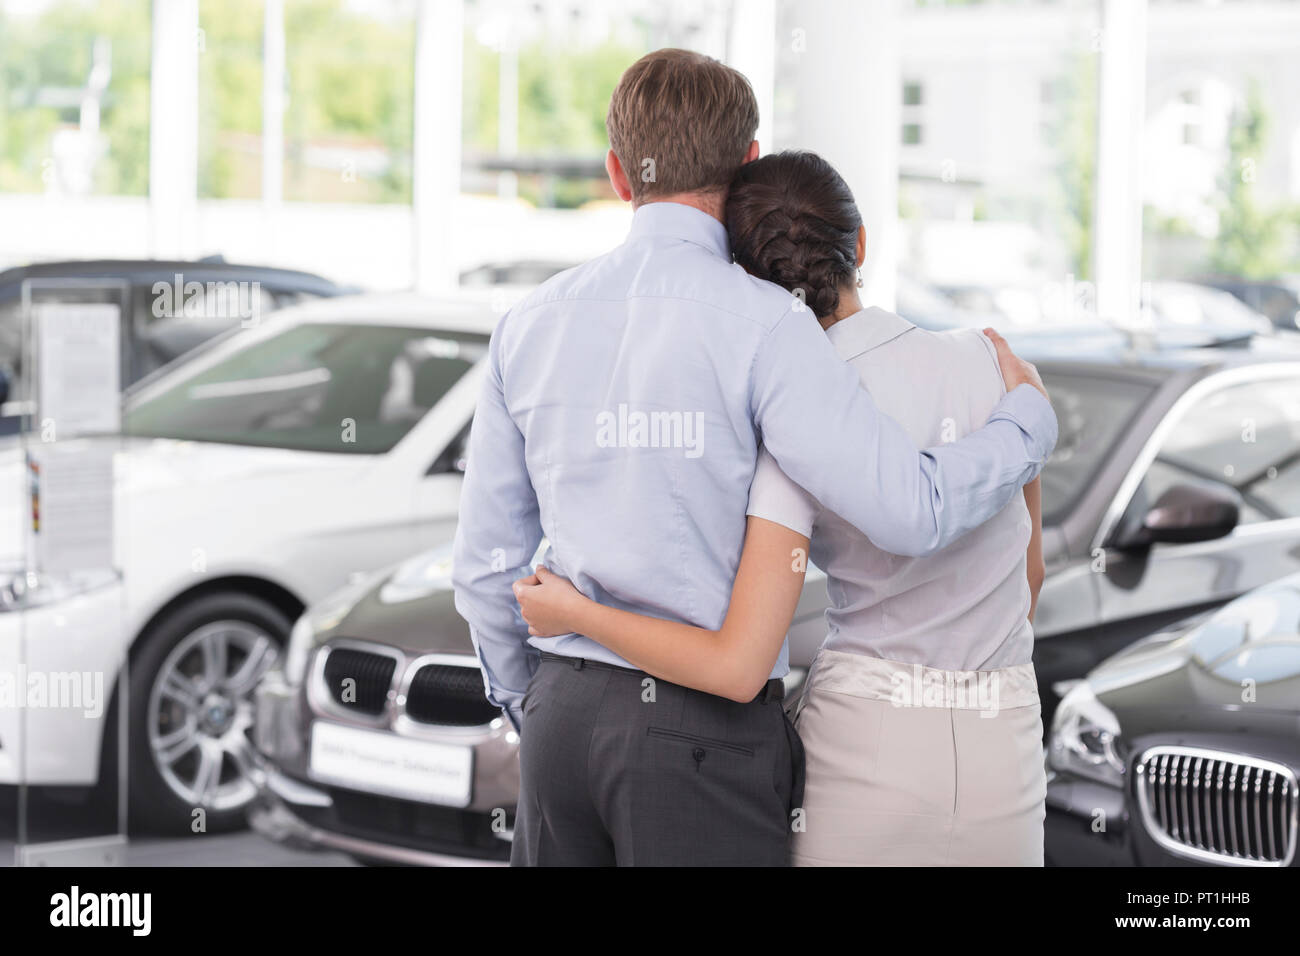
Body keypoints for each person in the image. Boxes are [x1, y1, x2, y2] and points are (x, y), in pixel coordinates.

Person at [452, 49, 1056, 867]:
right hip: (697, 734)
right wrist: (1026, 427)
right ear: (743, 167)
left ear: (619, 175)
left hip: (561, 717)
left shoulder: (528, 323)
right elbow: (910, 510)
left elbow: (487, 567)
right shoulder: (772, 327)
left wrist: (540, 701)